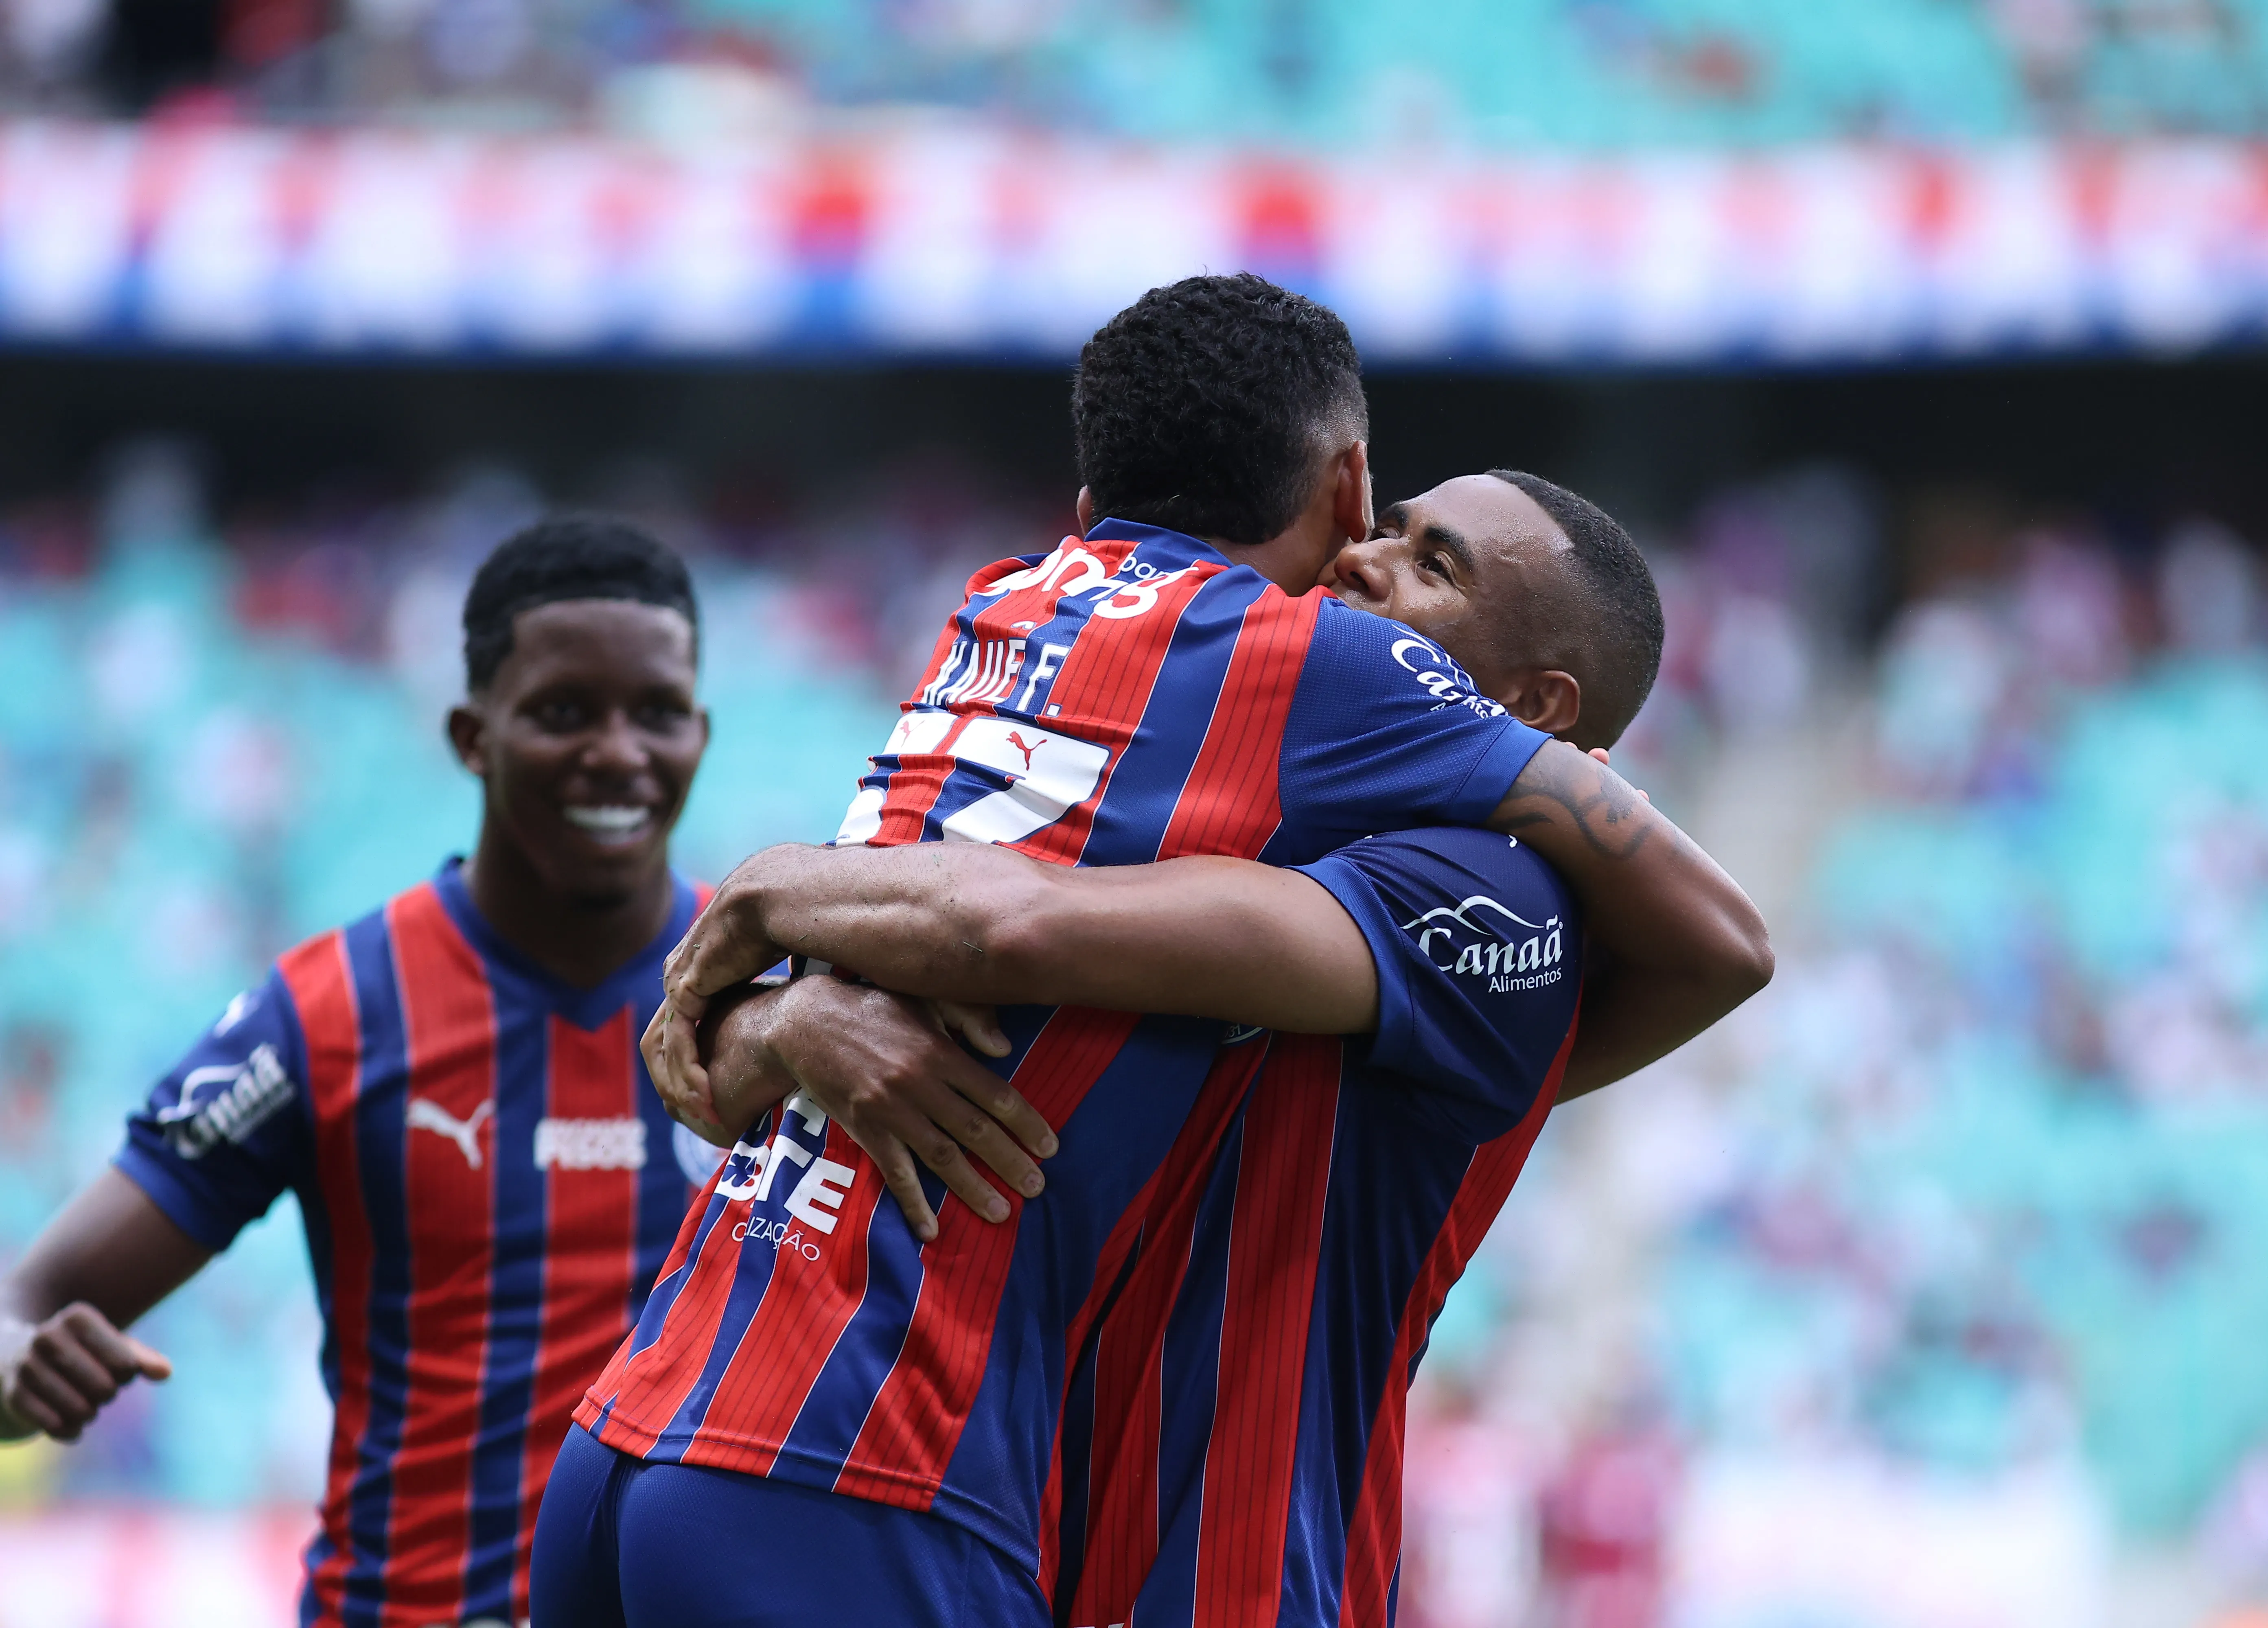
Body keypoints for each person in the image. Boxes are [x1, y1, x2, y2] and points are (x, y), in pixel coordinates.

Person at [529, 276, 1769, 1627]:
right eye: (1390, 526)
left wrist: (774, 893)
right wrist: (786, 1025)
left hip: (1199, 1570)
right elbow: (766, 1045)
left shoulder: (1483, 894)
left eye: (1435, 565)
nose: (1363, 562)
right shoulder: (1212, 792)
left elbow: (1014, 924)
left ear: (1533, 712)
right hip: (904, 1482)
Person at [0, 516, 731, 1628]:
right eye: (564, 713)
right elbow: (27, 1303)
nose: (620, 753)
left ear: (703, 730)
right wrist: (15, 1367)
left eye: (658, 714)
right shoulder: (331, 1011)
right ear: (469, 735)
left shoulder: (775, 1002)